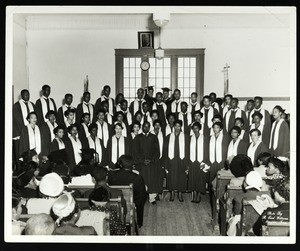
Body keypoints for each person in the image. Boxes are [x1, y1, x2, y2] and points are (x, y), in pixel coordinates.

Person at [107, 155, 147, 228]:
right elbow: (141, 198)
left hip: (115, 202)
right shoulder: (137, 178)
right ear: (133, 165)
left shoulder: (111, 175)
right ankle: (139, 223)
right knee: (142, 196)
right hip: (130, 203)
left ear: (120, 164)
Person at [133, 121, 160, 204]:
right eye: (144, 126)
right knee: (142, 181)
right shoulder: (137, 138)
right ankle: (141, 198)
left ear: (150, 127)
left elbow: (157, 151)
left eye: (148, 127)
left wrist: (151, 160)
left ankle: (152, 198)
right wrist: (142, 160)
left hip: (151, 164)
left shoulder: (154, 137)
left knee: (151, 181)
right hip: (141, 164)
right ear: (142, 127)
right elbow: (135, 151)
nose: (146, 128)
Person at [163, 120, 189, 202]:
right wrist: (166, 163)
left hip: (182, 160)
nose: (177, 128)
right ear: (173, 127)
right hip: (171, 160)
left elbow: (187, 151)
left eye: (179, 126)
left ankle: (180, 194)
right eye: (176, 126)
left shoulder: (185, 137)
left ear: (181, 127)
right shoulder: (168, 137)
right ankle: (172, 193)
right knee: (171, 177)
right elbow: (165, 151)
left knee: (181, 177)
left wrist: (187, 164)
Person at [188, 122, 209, 203]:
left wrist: (205, 162)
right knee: (193, 178)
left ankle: (198, 196)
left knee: (200, 179)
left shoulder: (204, 138)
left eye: (197, 128)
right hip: (192, 161)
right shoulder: (190, 138)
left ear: (200, 129)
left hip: (201, 161)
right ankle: (193, 196)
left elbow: (207, 150)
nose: (195, 130)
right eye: (194, 128)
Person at [13, 89, 36, 162]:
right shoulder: (16, 105)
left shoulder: (32, 104)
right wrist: (25, 131)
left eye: (28, 94)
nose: (27, 96)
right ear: (21, 95)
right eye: (25, 95)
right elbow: (17, 120)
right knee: (21, 152)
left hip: (31, 131)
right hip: (21, 132)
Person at [151, 119, 165, 197]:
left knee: (159, 176)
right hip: (152, 159)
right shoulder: (150, 134)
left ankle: (159, 192)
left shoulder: (162, 134)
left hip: (160, 159)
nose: (157, 126)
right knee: (153, 176)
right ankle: (153, 194)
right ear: (153, 126)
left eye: (158, 125)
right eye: (155, 125)